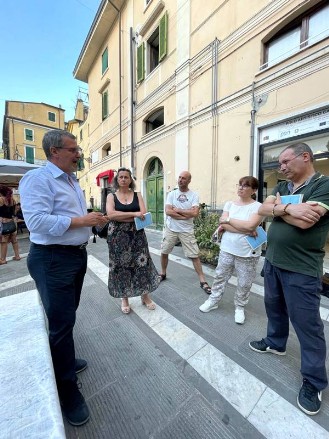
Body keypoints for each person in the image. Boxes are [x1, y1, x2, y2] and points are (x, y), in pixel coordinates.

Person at [19, 129, 109, 426]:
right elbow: (37, 222)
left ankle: (65, 362)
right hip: (52, 259)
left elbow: (70, 217)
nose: (79, 154)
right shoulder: (37, 179)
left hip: (75, 256)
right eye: (73, 149)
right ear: (54, 151)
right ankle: (67, 390)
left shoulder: (71, 180)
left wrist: (92, 224)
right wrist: (83, 220)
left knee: (67, 318)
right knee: (60, 325)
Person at [249, 142, 329, 416]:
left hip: (302, 269)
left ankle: (314, 380)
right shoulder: (284, 188)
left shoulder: (323, 185)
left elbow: (308, 222)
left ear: (305, 157)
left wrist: (279, 210)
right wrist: (289, 209)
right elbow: (262, 209)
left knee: (307, 325)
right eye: (279, 164)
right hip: (273, 262)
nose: (280, 167)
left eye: (284, 162)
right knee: (274, 308)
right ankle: (276, 342)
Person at [199, 176, 263, 324]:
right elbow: (225, 224)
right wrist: (244, 228)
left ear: (254, 190)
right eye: (239, 184)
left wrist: (230, 222)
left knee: (244, 282)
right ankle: (213, 300)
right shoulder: (229, 204)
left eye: (245, 186)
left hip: (248, 253)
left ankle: (239, 307)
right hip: (227, 249)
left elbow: (250, 226)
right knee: (220, 276)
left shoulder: (258, 207)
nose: (240, 188)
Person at [106, 167, 159, 313]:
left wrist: (125, 215)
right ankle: (124, 298)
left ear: (130, 180)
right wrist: (133, 214)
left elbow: (143, 213)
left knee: (142, 265)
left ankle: (145, 296)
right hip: (117, 237)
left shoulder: (137, 195)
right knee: (121, 266)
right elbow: (111, 215)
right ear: (117, 179)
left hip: (137, 236)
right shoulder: (111, 196)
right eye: (121, 177)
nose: (123, 179)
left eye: (126, 177)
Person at [159, 171, 211, 293]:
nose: (181, 180)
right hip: (171, 228)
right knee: (164, 251)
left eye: (184, 178)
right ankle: (163, 273)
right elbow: (168, 212)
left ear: (189, 181)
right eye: (180, 177)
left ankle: (202, 280)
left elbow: (195, 213)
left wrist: (177, 210)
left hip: (186, 230)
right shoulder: (172, 194)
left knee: (194, 255)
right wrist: (184, 215)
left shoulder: (193, 195)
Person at [0, 185, 21, 264]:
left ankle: (3, 260)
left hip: (4, 224)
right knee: (14, 241)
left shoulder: (1, 199)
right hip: (12, 223)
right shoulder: (13, 200)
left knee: (4, 242)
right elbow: (15, 211)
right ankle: (17, 256)